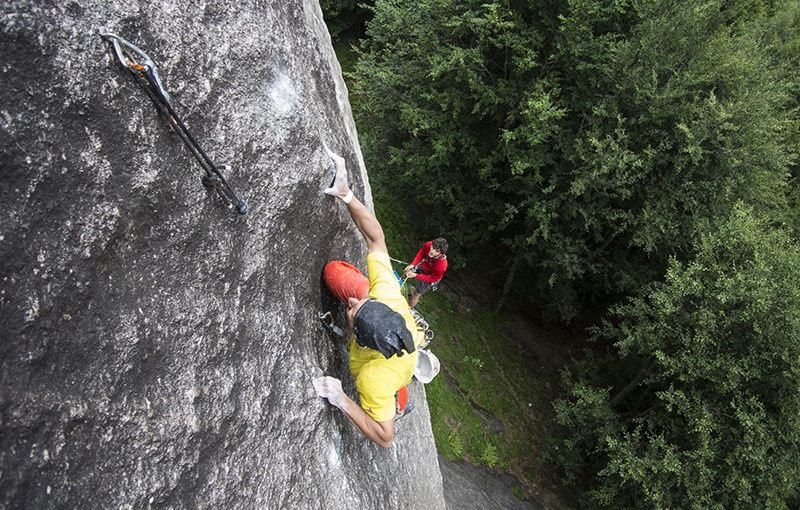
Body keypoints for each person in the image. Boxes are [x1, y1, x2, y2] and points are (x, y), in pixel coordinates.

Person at [313, 145, 424, 448]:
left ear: (360, 340)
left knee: (385, 395)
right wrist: (346, 194)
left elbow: (385, 438)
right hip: (400, 344)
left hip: (388, 374)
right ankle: (402, 385)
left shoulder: (372, 380)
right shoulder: (386, 295)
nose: (350, 303)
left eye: (351, 312)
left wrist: (341, 399)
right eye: (359, 305)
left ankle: (397, 398)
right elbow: (376, 238)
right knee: (334, 272)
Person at [404, 238, 448, 309]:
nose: (432, 251)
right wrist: (413, 264)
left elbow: (433, 278)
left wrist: (416, 275)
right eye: (433, 247)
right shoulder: (428, 244)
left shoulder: (442, 266)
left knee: (415, 294)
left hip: (431, 277)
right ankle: (399, 284)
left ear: (441, 253)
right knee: (408, 271)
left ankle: (409, 308)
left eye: (436, 251)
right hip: (424, 266)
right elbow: (421, 253)